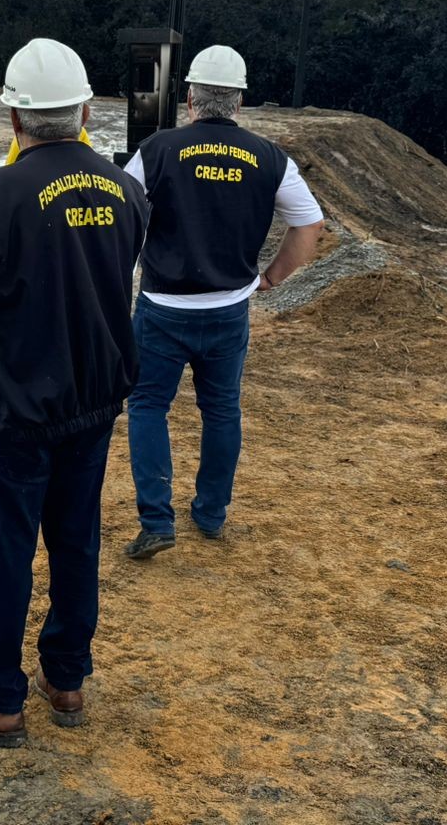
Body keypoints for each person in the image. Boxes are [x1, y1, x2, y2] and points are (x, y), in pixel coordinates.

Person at [0, 38, 148, 746]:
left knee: (6, 552)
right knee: (76, 541)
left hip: (15, 410)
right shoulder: (127, 189)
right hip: (92, 400)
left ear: (14, 118)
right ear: (84, 109)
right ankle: (67, 677)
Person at [121, 45, 324, 561]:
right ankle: (210, 514)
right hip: (228, 310)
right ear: (239, 100)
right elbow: (309, 224)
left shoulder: (159, 149)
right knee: (221, 411)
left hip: (163, 307)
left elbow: (119, 211)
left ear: (189, 97)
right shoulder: (270, 158)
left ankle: (156, 521)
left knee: (147, 407)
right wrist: (272, 278)